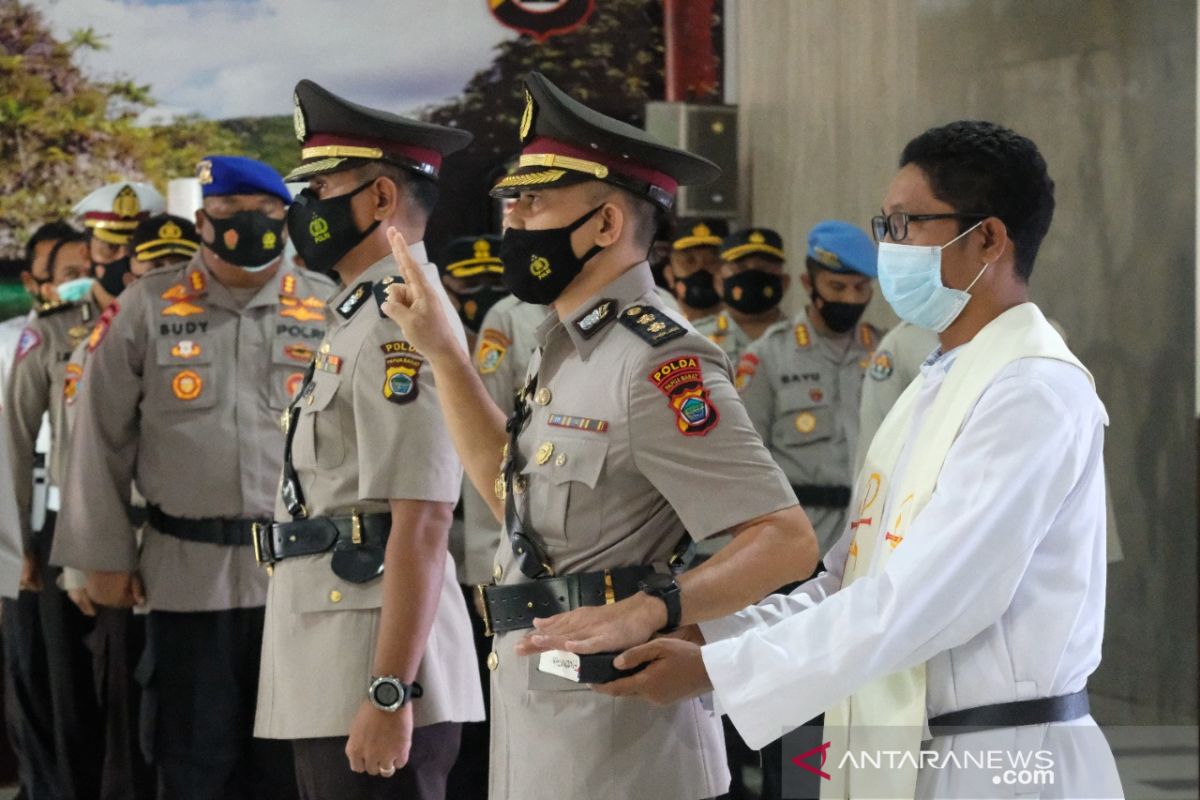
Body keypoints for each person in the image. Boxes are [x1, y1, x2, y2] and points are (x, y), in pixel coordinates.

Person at [574, 120, 1121, 799]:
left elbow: (926, 601)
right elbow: (849, 579)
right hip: (907, 747)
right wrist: (705, 634)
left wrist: (724, 669)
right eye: (884, 225)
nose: (887, 248)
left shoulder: (1031, 389)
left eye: (904, 225)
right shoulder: (938, 378)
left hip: (1004, 762)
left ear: (987, 238)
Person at [378, 71, 819, 800]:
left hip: (626, 751)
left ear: (607, 226)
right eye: (510, 201)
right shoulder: (564, 344)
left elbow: (785, 539)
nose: (512, 222)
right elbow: (509, 498)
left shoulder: (658, 358)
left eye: (533, 200)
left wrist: (658, 608)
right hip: (544, 719)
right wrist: (444, 353)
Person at [53, 156, 332, 800]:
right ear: (202, 222)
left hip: (300, 584)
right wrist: (98, 557)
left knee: (290, 768)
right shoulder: (147, 306)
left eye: (268, 218)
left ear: (288, 223)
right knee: (189, 764)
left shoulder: (326, 307)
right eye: (234, 219)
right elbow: (98, 436)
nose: (252, 231)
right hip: (184, 581)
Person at [252, 79, 484, 800]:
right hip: (334, 658)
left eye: (321, 187)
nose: (305, 209)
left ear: (380, 199)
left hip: (376, 671)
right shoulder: (361, 317)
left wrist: (390, 692)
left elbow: (423, 521)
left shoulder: (398, 327)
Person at [5, 218, 111, 800]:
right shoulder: (25, 341)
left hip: (114, 526)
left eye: (88, 270)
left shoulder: (123, 328)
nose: (84, 282)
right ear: (35, 282)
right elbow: (13, 450)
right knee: (53, 687)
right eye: (68, 275)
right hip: (44, 532)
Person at [735, 220, 882, 555]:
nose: (850, 298)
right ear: (808, 283)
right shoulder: (768, 356)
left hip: (868, 537)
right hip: (798, 541)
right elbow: (747, 460)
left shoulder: (883, 353)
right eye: (837, 286)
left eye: (861, 288)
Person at [710, 227, 792, 352]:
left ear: (784, 282)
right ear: (718, 282)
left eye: (763, 268)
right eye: (741, 267)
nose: (752, 276)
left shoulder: (805, 340)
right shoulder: (694, 339)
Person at [438, 234, 508, 350]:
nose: (485, 293)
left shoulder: (533, 331)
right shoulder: (425, 337)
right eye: (471, 283)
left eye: (497, 282)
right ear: (444, 285)